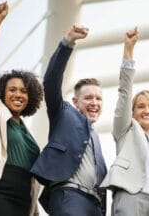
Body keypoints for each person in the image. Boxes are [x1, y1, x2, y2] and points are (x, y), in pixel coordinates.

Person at [0, 2, 43, 216]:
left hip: (23, 198)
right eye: (12, 89)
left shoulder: (27, 133)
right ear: (2, 93)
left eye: (23, 91)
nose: (18, 95)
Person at [30, 25, 107, 216]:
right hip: (70, 196)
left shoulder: (95, 137)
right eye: (88, 98)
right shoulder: (63, 113)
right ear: (75, 102)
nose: (94, 103)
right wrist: (68, 42)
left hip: (95, 206)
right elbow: (51, 81)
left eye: (99, 99)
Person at [100, 27, 149, 216]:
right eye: (141, 107)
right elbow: (125, 92)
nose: (147, 110)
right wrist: (128, 50)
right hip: (132, 199)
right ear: (132, 113)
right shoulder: (126, 131)